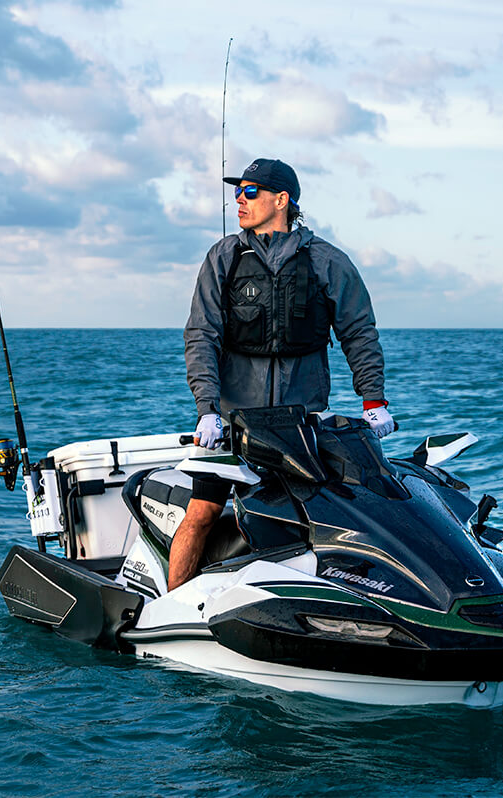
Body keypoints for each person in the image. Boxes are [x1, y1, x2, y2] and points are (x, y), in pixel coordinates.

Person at [169, 158, 395, 590]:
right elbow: (201, 335)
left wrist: (373, 401)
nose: (239, 199)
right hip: (233, 422)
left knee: (323, 516)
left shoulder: (327, 261)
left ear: (281, 200)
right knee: (201, 513)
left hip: (301, 425)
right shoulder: (224, 258)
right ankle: (170, 605)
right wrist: (207, 410)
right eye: (238, 192)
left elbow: (359, 332)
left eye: (250, 192)